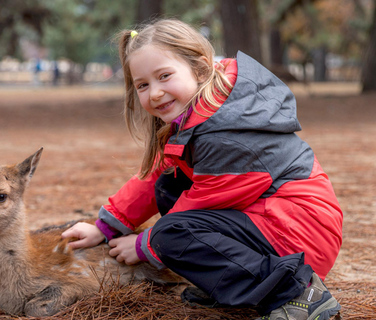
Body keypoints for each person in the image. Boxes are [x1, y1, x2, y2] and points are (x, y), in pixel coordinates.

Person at [61, 19, 343, 320]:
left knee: (170, 236)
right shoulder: (202, 114)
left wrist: (145, 245)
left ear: (201, 69)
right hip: (273, 222)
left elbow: (201, 202)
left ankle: (297, 293)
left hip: (299, 236)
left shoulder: (226, 132)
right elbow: (159, 173)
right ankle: (230, 285)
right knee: (169, 186)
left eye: (164, 76)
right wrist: (105, 226)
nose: (155, 93)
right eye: (143, 85)